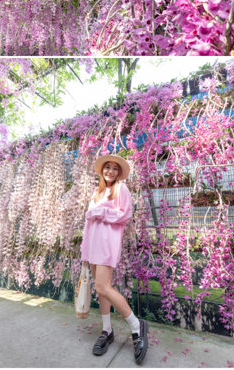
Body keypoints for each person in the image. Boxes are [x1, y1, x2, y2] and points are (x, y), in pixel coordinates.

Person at [82, 155, 149, 363]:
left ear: (119, 172)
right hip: (93, 244)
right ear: (102, 170)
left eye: (114, 168)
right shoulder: (97, 191)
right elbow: (88, 223)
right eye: (107, 168)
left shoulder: (121, 189)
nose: (110, 171)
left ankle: (138, 327)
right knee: (101, 288)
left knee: (103, 287)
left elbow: (124, 215)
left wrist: (100, 211)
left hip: (107, 244)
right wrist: (85, 250)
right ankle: (107, 330)